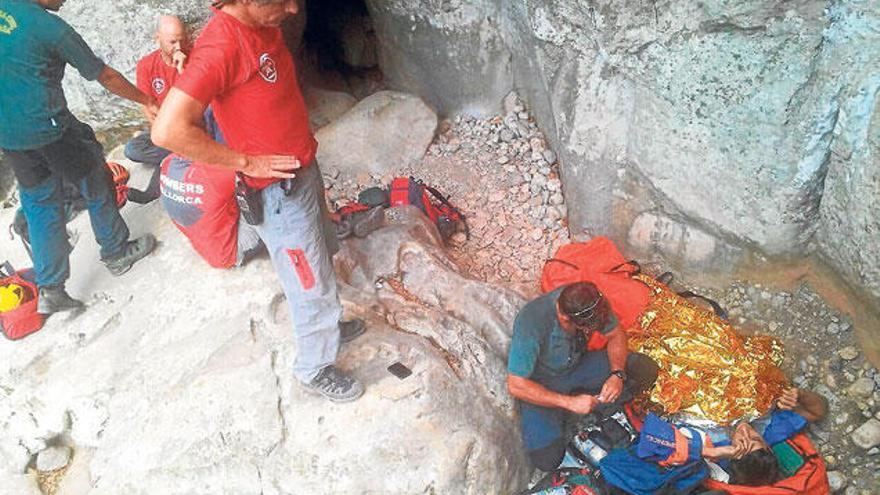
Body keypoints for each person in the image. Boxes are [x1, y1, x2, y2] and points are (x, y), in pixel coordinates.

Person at [152, 0, 365, 402]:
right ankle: (314, 366)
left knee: (323, 250)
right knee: (308, 278)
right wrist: (245, 161)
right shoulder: (222, 47)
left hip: (300, 169)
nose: (291, 8)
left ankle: (329, 324)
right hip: (275, 189)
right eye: (278, 0)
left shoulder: (262, 23)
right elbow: (167, 130)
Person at [0, 0, 158, 314]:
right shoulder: (51, 28)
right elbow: (106, 76)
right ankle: (117, 252)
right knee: (96, 180)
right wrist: (146, 100)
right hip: (51, 130)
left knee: (40, 202)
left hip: (10, 134)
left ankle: (51, 288)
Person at [507, 281, 660, 471]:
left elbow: (616, 335)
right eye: (585, 328)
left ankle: (592, 406)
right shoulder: (533, 321)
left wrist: (617, 375)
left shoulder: (591, 302)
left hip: (579, 366)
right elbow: (516, 385)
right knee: (546, 459)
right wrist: (568, 402)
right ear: (564, 317)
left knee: (645, 368)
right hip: (545, 383)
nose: (589, 331)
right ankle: (573, 412)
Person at [634, 387, 829, 486]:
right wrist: (799, 395)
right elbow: (818, 411)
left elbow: (650, 440)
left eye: (742, 442)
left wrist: (710, 450)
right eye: (755, 438)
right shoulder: (768, 431)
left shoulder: (709, 445)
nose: (746, 431)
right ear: (767, 445)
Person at [124, 14, 189, 204]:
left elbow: (199, 103)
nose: (178, 47)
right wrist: (162, 133)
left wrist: (183, 72)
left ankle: (156, 187)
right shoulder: (146, 66)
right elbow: (148, 106)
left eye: (181, 40)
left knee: (190, 141)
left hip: (192, 126)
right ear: (157, 38)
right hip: (165, 128)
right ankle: (181, 156)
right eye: (172, 42)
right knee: (132, 149)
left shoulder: (192, 59)